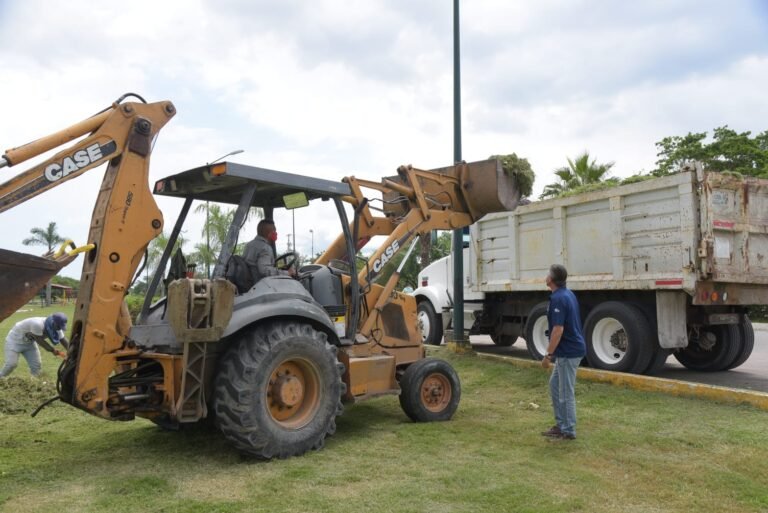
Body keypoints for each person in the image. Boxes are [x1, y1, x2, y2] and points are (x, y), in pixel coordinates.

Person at [540, 264, 586, 441]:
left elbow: (558, 330)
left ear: (551, 279)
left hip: (569, 352)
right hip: (567, 352)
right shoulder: (566, 294)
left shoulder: (559, 298)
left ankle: (568, 430)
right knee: (555, 385)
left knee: (566, 392)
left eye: (547, 274)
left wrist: (547, 355)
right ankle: (561, 425)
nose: (545, 276)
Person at [0, 313, 69, 378]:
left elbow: (63, 340)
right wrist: (53, 350)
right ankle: (1, 377)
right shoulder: (37, 324)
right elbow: (40, 341)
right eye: (58, 326)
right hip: (14, 341)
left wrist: (73, 352)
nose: (59, 329)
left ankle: (33, 383)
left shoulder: (57, 327)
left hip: (29, 344)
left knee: (36, 366)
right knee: (11, 364)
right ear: (53, 323)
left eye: (61, 327)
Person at [242, 219, 296, 284]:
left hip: (249, 284)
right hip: (261, 285)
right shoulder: (265, 248)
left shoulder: (249, 245)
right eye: (274, 231)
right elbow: (265, 271)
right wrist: (287, 273)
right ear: (268, 233)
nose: (276, 233)